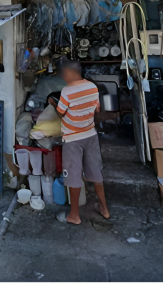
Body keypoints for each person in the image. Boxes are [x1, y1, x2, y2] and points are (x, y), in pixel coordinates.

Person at [51, 59, 109, 224]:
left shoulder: (67, 91)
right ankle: (104, 209)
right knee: (96, 173)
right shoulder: (92, 87)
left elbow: (61, 113)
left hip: (72, 138)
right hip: (90, 134)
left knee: (73, 175)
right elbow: (96, 109)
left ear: (70, 73)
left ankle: (74, 215)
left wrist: (53, 104)